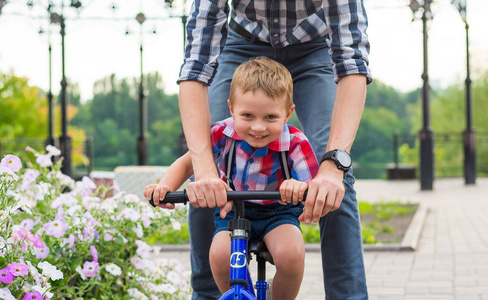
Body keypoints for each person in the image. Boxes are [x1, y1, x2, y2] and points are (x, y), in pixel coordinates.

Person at [177, 1, 372, 299]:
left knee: (331, 175)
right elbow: (195, 65)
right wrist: (204, 169)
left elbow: (352, 63)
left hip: (314, 47)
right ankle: (206, 295)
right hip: (242, 44)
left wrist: (333, 168)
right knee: (207, 169)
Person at [146, 57, 319, 299]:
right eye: (247, 115)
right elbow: (188, 162)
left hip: (277, 213)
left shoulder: (295, 143)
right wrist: (166, 186)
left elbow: (314, 185)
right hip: (233, 213)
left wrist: (299, 186)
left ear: (288, 113)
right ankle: (237, 295)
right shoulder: (221, 133)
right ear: (231, 108)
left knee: (292, 256)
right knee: (218, 256)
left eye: (270, 117)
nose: (258, 127)